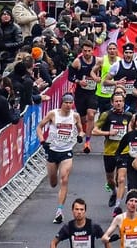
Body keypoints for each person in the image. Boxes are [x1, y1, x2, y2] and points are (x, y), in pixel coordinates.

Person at [41, 92, 82, 223]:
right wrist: (42, 141)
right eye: (66, 103)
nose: (69, 105)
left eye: (71, 103)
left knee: (64, 179)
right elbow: (39, 126)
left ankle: (59, 211)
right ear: (62, 103)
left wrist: (80, 135)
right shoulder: (53, 114)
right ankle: (55, 184)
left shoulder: (75, 116)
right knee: (53, 183)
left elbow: (81, 129)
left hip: (66, 151)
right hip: (53, 150)